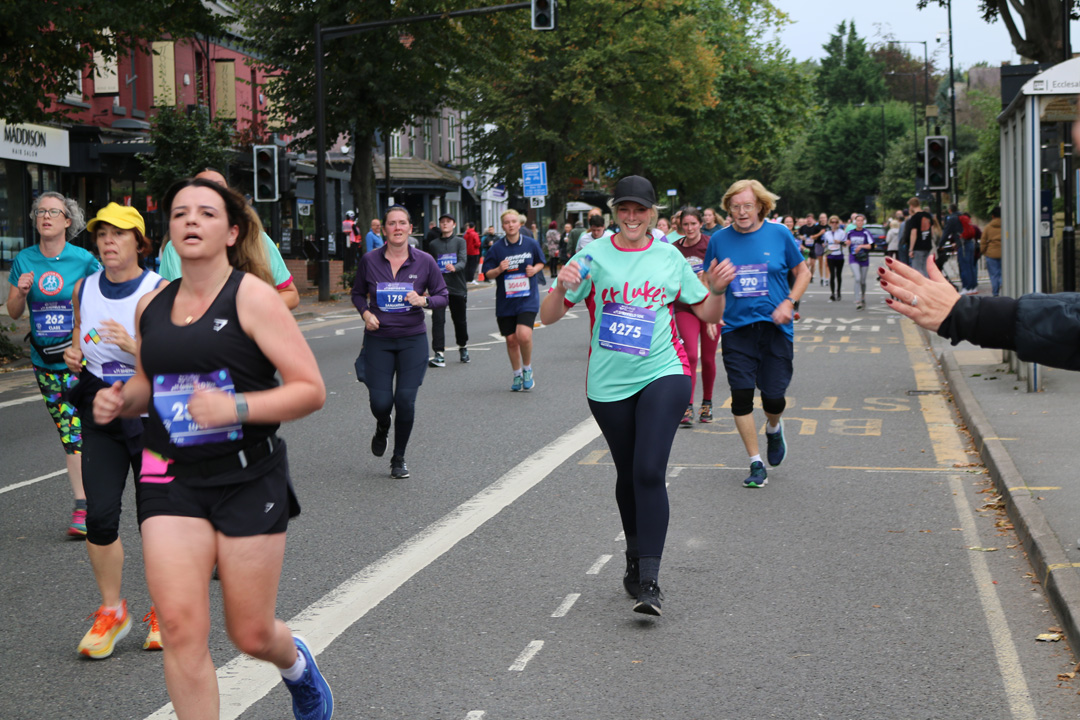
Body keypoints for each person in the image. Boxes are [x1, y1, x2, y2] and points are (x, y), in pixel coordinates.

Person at [92, 178, 331, 719]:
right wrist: (120, 400)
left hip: (247, 476)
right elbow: (147, 385)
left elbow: (309, 390)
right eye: (180, 214)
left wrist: (236, 408)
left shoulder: (254, 297)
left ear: (232, 231)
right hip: (168, 475)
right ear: (170, 232)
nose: (191, 221)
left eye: (205, 212)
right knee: (177, 627)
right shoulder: (152, 304)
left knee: (249, 632)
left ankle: (296, 666)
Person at [540, 175, 734, 616]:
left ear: (653, 215)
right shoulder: (591, 256)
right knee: (627, 474)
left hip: (664, 371)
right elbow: (547, 317)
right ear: (614, 212)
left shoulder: (668, 257)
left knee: (648, 470)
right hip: (608, 385)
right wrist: (560, 284)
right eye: (624, 209)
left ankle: (650, 580)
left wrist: (718, 291)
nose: (631, 217)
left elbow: (705, 310)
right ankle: (633, 555)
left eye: (640, 210)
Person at [64, 203, 167, 658]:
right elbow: (78, 339)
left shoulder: (160, 290)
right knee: (100, 517)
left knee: (159, 523)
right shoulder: (83, 287)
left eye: (118, 234)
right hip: (102, 411)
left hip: (151, 417)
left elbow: (179, 361)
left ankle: (165, 609)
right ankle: (112, 611)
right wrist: (73, 356)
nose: (107, 241)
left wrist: (137, 345)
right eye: (102, 233)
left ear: (138, 243)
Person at [704, 179, 810, 488]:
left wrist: (790, 302)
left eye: (747, 205)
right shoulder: (719, 240)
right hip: (737, 329)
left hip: (775, 328)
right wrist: (714, 297)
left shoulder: (780, 234)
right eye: (735, 207)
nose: (741, 212)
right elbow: (710, 281)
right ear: (728, 209)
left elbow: (802, 272)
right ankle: (755, 462)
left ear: (761, 206)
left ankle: (774, 429)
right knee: (740, 397)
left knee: (773, 398)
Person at [7, 191, 99, 536]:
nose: (46, 217)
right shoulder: (25, 260)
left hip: (79, 361)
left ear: (67, 221)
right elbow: (14, 312)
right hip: (43, 362)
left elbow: (103, 295)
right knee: (69, 432)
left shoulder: (84, 260)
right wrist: (19, 291)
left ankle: (84, 505)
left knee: (78, 429)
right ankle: (85, 502)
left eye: (53, 212)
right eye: (40, 212)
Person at [353, 206, 448, 478]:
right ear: (384, 229)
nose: (397, 228)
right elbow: (358, 294)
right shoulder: (370, 261)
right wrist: (366, 313)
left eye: (402, 223)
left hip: (412, 339)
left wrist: (424, 300)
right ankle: (383, 424)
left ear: (409, 228)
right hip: (378, 340)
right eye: (392, 223)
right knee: (381, 403)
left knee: (405, 399)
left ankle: (398, 458)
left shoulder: (425, 261)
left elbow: (443, 295)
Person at [159, 170, 299, 310]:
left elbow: (289, 294)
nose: (209, 194)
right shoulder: (173, 249)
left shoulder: (257, 240)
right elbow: (165, 304)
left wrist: (249, 315)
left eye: (218, 188)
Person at [482, 209, 546, 391]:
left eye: (513, 221)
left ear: (519, 224)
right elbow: (487, 272)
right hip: (506, 301)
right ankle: (517, 374)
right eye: (507, 222)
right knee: (511, 340)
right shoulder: (496, 248)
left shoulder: (531, 244)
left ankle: (527, 369)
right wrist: (499, 270)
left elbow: (541, 262)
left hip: (527, 298)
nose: (510, 225)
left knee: (523, 335)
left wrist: (535, 269)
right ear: (503, 226)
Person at [671, 208, 720, 427]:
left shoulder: (712, 244)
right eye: (686, 224)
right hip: (686, 307)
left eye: (693, 224)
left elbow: (722, 276)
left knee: (708, 358)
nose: (690, 228)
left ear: (701, 223)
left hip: (710, 307)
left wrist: (707, 279)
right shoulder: (674, 249)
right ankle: (687, 405)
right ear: (680, 225)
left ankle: (707, 403)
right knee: (690, 354)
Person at [426, 213, 469, 367]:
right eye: (442, 222)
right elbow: (429, 266)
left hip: (457, 286)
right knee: (438, 320)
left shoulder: (460, 242)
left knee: (459, 320)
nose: (445, 224)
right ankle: (439, 353)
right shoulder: (433, 244)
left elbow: (463, 261)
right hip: (438, 288)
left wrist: (454, 267)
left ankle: (463, 347)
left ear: (454, 225)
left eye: (448, 222)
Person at [846, 214, 874, 310]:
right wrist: (847, 243)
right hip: (853, 258)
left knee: (862, 281)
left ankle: (863, 297)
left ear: (864, 222)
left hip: (864, 258)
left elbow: (871, 246)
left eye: (861, 221)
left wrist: (861, 246)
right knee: (857, 278)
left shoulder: (866, 233)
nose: (860, 222)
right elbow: (846, 242)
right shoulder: (850, 232)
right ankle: (857, 300)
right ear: (855, 222)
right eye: (858, 220)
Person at [822, 215, 848, 302]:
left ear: (838, 223)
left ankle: (839, 292)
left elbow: (845, 244)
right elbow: (825, 243)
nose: (834, 224)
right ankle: (832, 293)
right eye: (832, 222)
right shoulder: (827, 233)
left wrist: (839, 242)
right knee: (832, 275)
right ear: (830, 223)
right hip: (830, 256)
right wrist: (825, 247)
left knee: (838, 275)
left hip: (839, 256)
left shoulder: (842, 232)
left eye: (836, 222)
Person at [981, 206, 1002, 297]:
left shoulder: (988, 227)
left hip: (991, 254)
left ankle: (995, 293)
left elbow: (983, 241)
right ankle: (1003, 287)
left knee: (994, 275)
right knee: (1002, 274)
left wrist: (984, 252)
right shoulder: (1007, 225)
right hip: (1004, 254)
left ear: (993, 216)